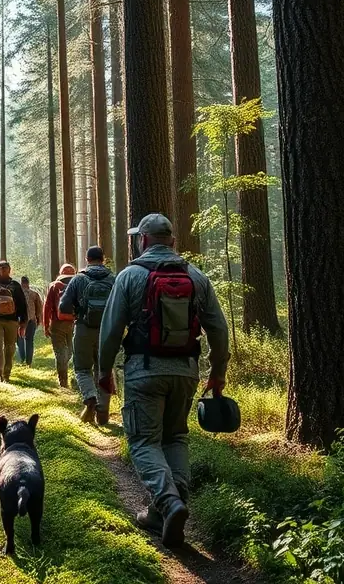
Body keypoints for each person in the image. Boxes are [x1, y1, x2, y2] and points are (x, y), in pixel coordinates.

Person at [99, 213, 230, 549]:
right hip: (186, 371)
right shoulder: (196, 276)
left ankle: (169, 504)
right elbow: (218, 328)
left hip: (144, 371)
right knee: (175, 437)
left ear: (142, 240)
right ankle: (170, 507)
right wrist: (218, 372)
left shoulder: (130, 276)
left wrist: (104, 371)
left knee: (143, 441)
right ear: (171, 240)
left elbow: (111, 329)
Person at [60, 246, 115, 425]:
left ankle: (90, 397)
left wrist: (77, 311)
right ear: (103, 258)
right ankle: (103, 416)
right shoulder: (113, 279)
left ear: (86, 259)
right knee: (104, 371)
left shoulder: (78, 279)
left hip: (83, 328)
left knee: (83, 369)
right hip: (107, 331)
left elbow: (63, 306)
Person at [43, 264, 76, 388]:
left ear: (60, 273)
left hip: (57, 324)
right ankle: (75, 378)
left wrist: (46, 325)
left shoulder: (54, 285)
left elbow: (47, 306)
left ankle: (63, 382)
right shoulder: (79, 282)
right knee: (72, 351)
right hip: (74, 322)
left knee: (60, 352)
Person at [17, 276, 43, 367]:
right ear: (28, 283)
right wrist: (39, 320)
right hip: (31, 320)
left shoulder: (16, 294)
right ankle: (29, 362)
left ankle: (22, 358)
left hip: (19, 321)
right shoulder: (34, 294)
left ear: (21, 283)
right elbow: (39, 309)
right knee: (29, 340)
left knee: (20, 339)